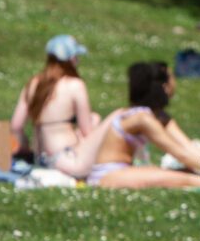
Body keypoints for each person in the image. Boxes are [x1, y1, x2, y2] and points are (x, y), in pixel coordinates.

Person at [88, 61, 200, 191]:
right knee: (183, 178)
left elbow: (189, 150)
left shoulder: (159, 117)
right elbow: (181, 153)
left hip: (126, 170)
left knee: (188, 172)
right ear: (164, 86)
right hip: (108, 175)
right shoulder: (141, 118)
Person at [10, 34, 121, 180]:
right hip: (66, 159)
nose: (78, 61)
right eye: (76, 57)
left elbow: (16, 126)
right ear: (70, 59)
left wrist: (25, 147)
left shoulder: (33, 83)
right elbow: (87, 131)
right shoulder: (75, 85)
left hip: (39, 159)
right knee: (96, 118)